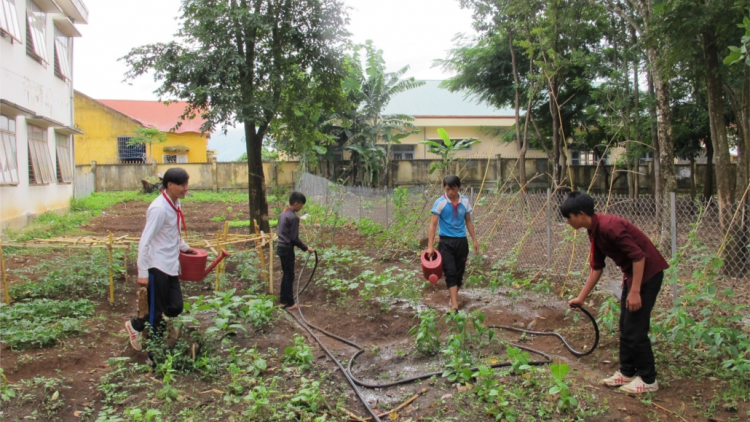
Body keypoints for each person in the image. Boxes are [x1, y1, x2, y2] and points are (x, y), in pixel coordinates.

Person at [561, 191, 669, 394]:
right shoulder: (594, 231)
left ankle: (648, 379)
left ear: (581, 214)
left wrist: (635, 291)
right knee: (625, 326)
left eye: (569, 217)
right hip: (633, 276)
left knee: (635, 329)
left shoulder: (610, 226)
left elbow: (639, 257)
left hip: (648, 275)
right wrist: (581, 298)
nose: (567, 221)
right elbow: (597, 267)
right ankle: (627, 372)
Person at [125, 168, 196, 352]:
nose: (186, 188)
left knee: (175, 306)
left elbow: (174, 232)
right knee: (156, 313)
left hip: (171, 264)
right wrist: (142, 272)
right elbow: (145, 241)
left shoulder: (176, 202)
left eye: (186, 184)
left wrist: (186, 248)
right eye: (182, 185)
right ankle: (152, 354)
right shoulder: (159, 209)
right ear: (170, 185)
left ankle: (139, 324)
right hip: (156, 266)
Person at [426, 175, 479, 312]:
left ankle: (452, 298)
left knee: (459, 273)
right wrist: (430, 246)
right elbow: (432, 225)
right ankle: (454, 305)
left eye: (453, 189)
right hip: (445, 242)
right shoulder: (440, 202)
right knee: (450, 272)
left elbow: (468, 221)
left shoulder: (465, 201)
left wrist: (474, 240)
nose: (450, 192)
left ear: (458, 188)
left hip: (461, 242)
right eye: (447, 189)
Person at [276, 191, 314, 310]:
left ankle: (283, 300)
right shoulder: (293, 217)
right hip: (287, 249)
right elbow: (294, 238)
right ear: (296, 203)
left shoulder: (283, 214)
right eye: (301, 205)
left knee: (286, 274)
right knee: (289, 275)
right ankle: (290, 303)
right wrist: (306, 248)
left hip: (280, 247)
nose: (301, 207)